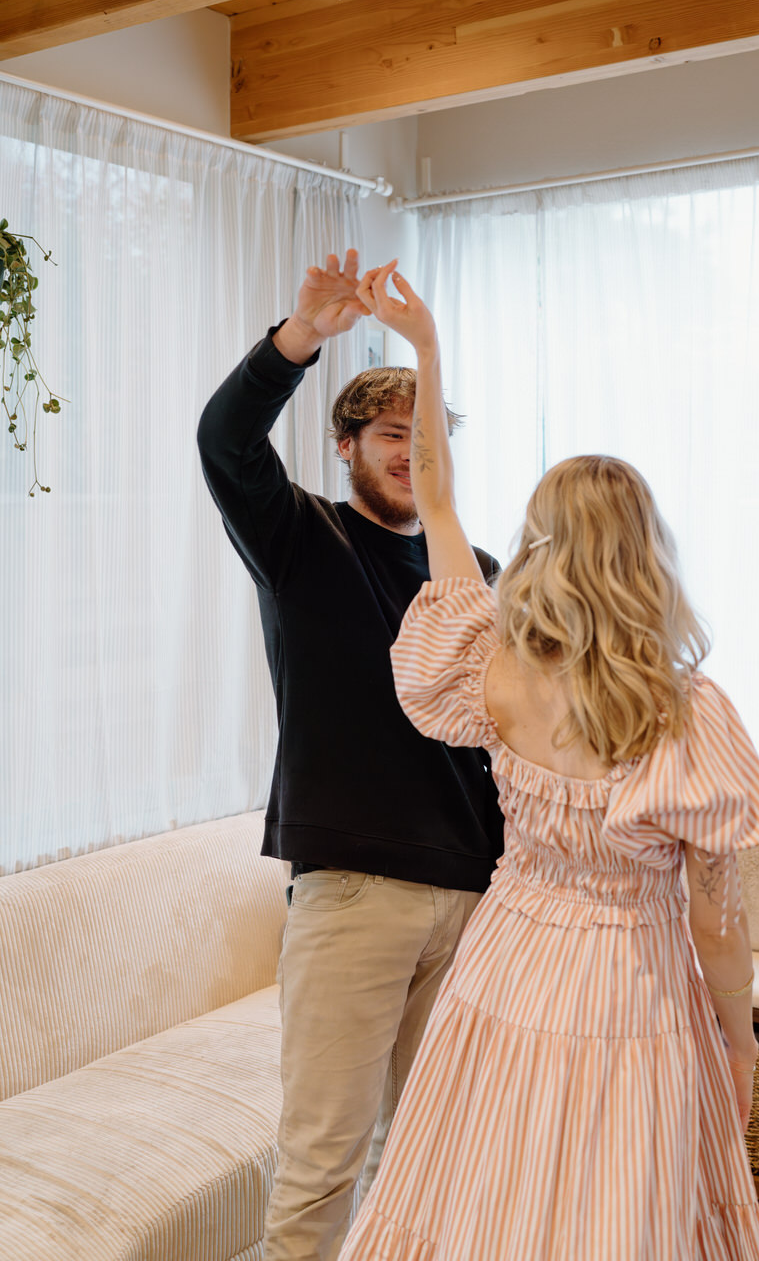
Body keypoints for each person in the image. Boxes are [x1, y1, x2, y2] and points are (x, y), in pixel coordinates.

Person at [337, 263, 759, 1261]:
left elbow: (440, 510)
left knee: (485, 1199)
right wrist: (741, 1036)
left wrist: (429, 343)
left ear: (539, 547)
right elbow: (717, 917)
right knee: (617, 1208)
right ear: (646, 555)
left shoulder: (490, 660)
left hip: (504, 965)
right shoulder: (688, 715)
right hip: (633, 988)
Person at [196, 251, 504, 1261]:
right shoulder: (298, 538)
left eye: (430, 437)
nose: (411, 453)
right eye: (390, 434)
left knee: (429, 1160)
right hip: (354, 895)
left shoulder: (484, 574)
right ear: (346, 447)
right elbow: (225, 440)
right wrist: (300, 337)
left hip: (474, 901)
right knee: (323, 1158)